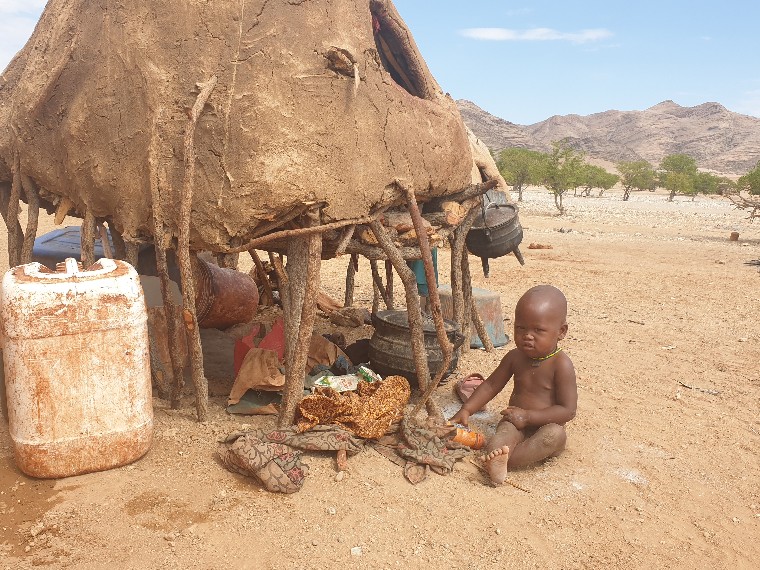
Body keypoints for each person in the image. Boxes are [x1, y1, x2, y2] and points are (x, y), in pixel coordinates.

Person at [450, 285, 577, 485]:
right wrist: (467, 409)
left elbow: (568, 411)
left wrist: (529, 417)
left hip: (545, 425)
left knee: (555, 436)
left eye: (538, 330)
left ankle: (504, 461)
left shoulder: (561, 365)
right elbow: (491, 385)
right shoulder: (515, 357)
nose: (528, 335)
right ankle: (497, 459)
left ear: (561, 332)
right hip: (515, 421)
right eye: (521, 328)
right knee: (499, 438)